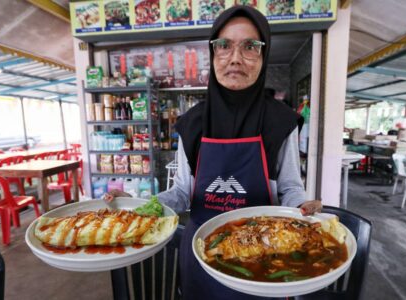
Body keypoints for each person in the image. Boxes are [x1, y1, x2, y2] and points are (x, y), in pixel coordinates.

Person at [105, 5, 321, 299]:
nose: (235, 58)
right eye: (224, 46)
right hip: (202, 255)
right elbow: (181, 192)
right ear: (213, 53)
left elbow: (291, 188)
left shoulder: (281, 122)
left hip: (266, 258)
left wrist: (302, 208)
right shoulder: (192, 123)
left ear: (263, 54)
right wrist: (141, 205)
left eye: (249, 47)